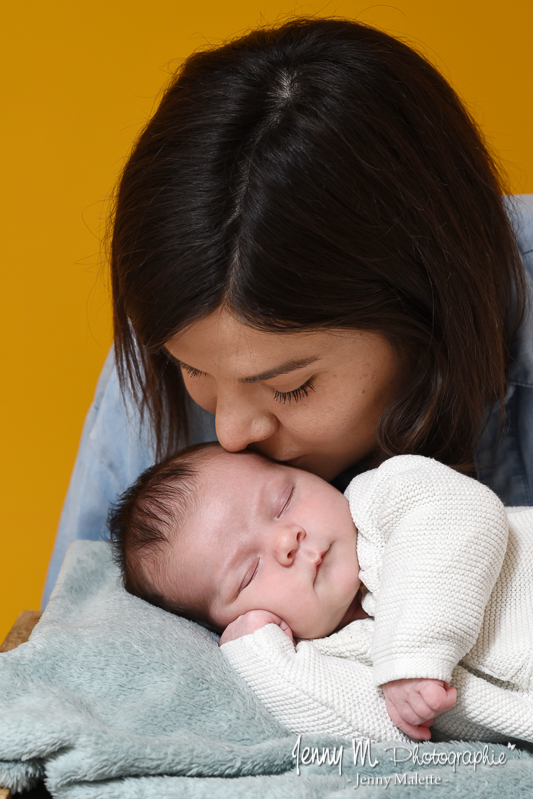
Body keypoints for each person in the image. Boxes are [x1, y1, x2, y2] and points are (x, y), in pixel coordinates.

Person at [44, 17, 533, 605]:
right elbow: (77, 646)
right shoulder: (187, 328)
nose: (230, 431)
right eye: (193, 372)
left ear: (426, 303)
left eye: (292, 386)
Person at [107, 442, 533, 745]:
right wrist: (257, 652)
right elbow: (371, 735)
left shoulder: (385, 499)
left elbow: (465, 514)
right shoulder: (325, 660)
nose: (286, 539)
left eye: (283, 500)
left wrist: (410, 654)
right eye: (250, 571)